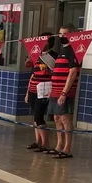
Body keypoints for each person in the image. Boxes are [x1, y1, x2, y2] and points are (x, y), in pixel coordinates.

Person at [46, 26, 79, 159]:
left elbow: (73, 72)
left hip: (64, 91)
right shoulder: (62, 50)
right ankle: (59, 145)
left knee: (65, 119)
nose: (61, 36)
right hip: (55, 90)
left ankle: (67, 148)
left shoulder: (73, 50)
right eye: (60, 34)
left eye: (65, 34)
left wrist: (64, 93)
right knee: (56, 118)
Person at [25, 33, 55, 152]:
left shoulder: (53, 56)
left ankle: (45, 143)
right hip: (33, 88)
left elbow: (56, 72)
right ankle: (38, 141)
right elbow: (32, 74)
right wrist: (27, 92)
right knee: (35, 116)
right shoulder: (36, 55)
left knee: (39, 116)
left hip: (44, 89)